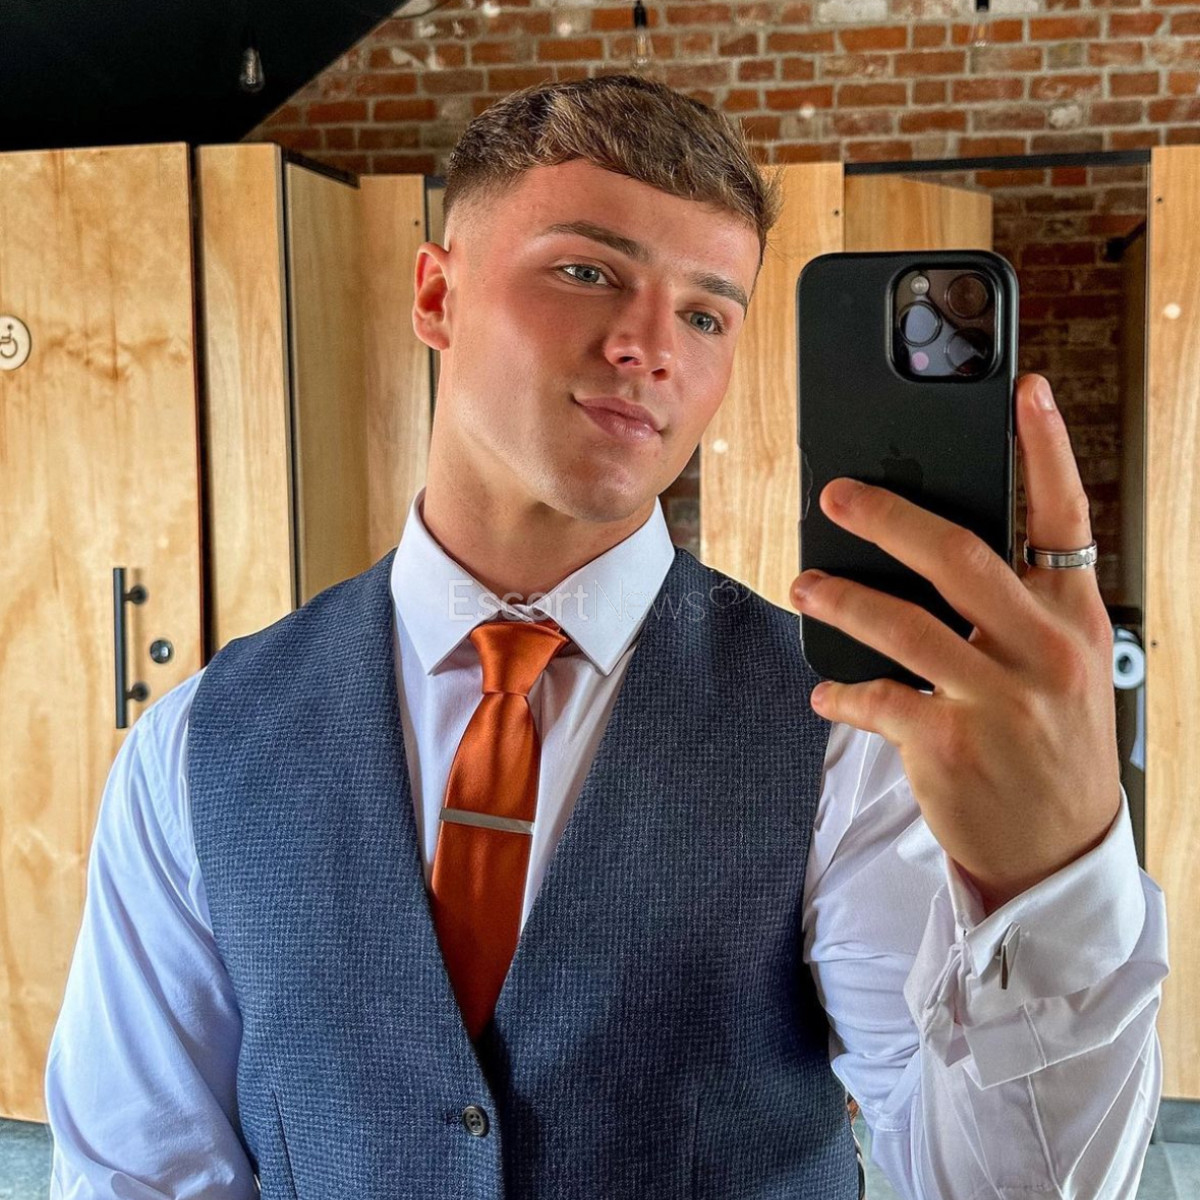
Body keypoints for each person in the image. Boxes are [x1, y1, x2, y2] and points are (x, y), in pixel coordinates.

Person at [46, 74, 1167, 1198]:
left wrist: (1054, 879)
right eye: (587, 272)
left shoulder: (846, 736)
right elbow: (140, 1171)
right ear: (436, 295)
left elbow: (996, 1184)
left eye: (706, 314)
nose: (650, 346)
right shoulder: (196, 743)